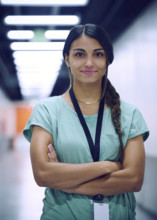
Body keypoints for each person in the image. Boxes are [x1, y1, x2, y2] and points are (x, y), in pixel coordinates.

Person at [23, 24, 149, 220]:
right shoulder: (47, 111)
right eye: (80, 54)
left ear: (107, 60)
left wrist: (63, 179)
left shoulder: (129, 114)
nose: (89, 63)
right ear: (67, 59)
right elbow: (42, 174)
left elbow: (133, 179)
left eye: (98, 54)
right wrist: (108, 166)